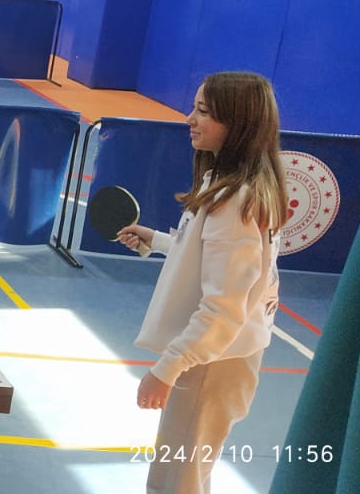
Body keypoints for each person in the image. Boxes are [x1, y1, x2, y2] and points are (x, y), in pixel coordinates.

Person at [115, 71, 284, 494]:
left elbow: (223, 308)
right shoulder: (228, 184)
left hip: (212, 363)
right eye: (194, 108)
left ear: (239, 124)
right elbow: (212, 260)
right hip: (216, 356)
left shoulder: (235, 201)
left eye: (204, 112)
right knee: (180, 477)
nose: (190, 119)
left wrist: (167, 369)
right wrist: (159, 241)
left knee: (178, 482)